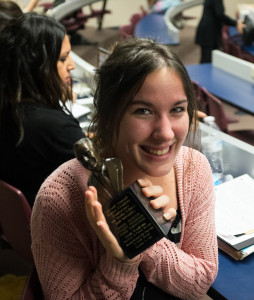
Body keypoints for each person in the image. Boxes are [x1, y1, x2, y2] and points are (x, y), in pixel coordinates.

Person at [31, 37, 218, 299]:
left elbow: (199, 283)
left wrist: (141, 234)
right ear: (108, 115)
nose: (165, 133)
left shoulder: (193, 168)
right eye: (143, 111)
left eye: (177, 109)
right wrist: (121, 263)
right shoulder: (60, 196)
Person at [0, 13, 85, 206]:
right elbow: (107, 183)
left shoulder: (10, 110)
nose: (71, 65)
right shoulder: (55, 127)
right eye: (63, 58)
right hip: (58, 229)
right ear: (38, 66)